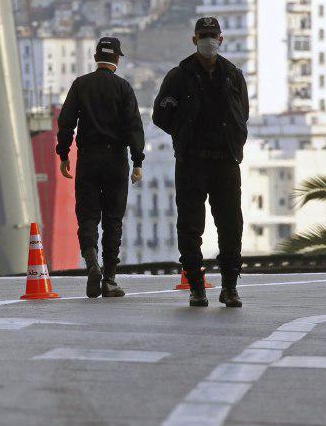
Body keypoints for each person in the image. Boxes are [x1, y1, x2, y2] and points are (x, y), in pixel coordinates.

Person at [152, 17, 249, 308]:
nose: (208, 41)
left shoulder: (232, 74)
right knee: (190, 227)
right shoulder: (179, 75)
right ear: (194, 40)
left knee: (231, 225)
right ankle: (197, 286)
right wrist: (184, 134)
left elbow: (241, 113)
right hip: (192, 161)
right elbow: (161, 115)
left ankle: (230, 287)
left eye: (213, 36)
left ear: (220, 39)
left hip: (225, 162)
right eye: (203, 36)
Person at [56, 37, 145, 298]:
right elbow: (134, 127)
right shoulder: (124, 88)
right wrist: (137, 161)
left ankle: (91, 262)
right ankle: (109, 279)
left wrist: (63, 154)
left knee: (88, 216)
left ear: (96, 57)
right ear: (117, 59)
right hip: (116, 160)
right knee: (113, 220)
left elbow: (66, 123)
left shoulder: (81, 85)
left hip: (89, 159)